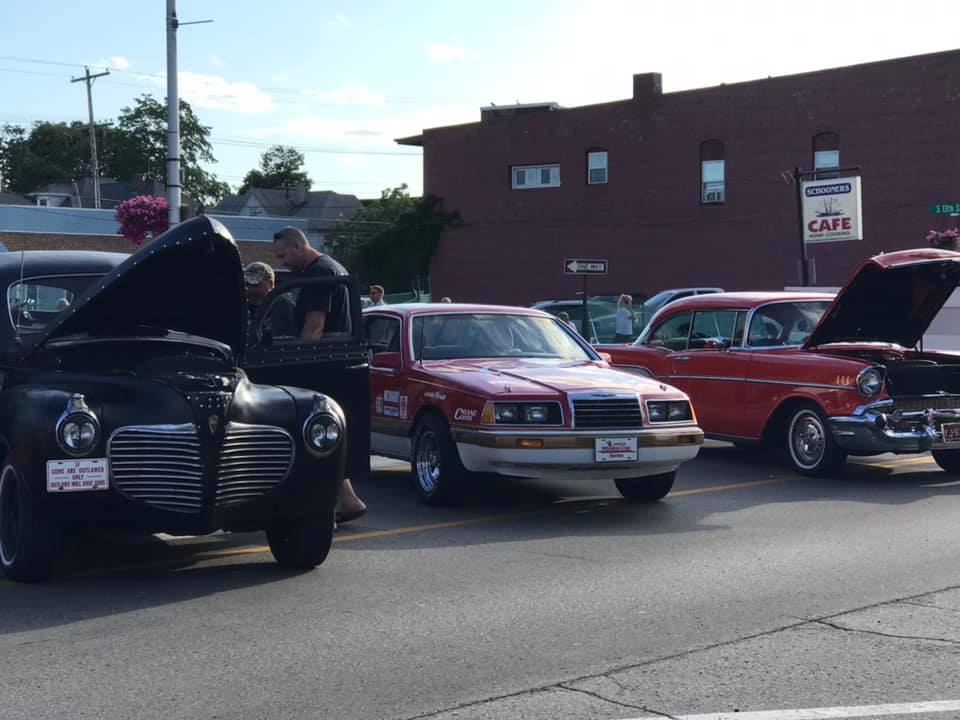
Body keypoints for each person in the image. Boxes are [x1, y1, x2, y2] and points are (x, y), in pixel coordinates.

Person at [272, 226, 367, 524]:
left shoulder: (319, 274)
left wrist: (293, 362)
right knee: (329, 439)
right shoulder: (335, 267)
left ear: (299, 247)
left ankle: (316, 512)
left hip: (320, 367)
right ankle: (348, 501)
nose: (283, 261)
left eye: (283, 255)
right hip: (339, 362)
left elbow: (314, 326)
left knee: (312, 439)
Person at [243, 261, 295, 343]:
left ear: (270, 284)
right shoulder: (242, 306)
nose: (250, 289)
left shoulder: (283, 306)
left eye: (255, 285)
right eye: (247, 284)